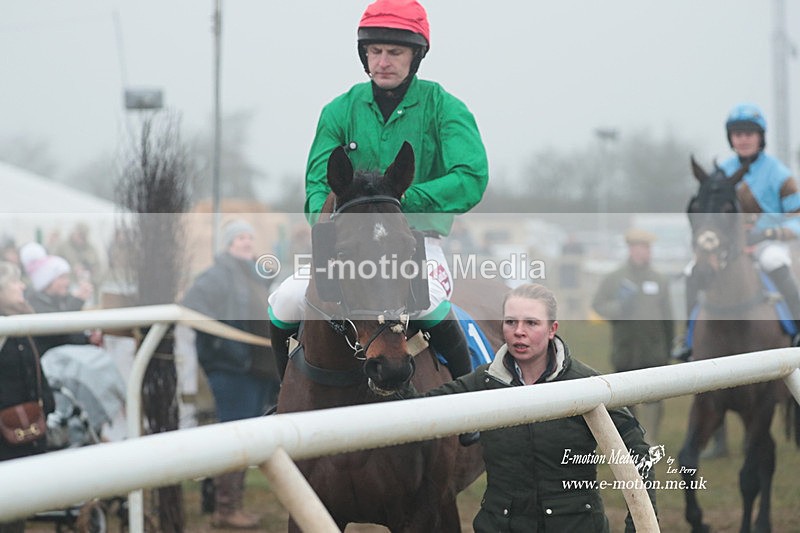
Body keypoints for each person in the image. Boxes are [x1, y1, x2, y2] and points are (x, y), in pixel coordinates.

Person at [268, 0, 489, 387]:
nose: (383, 60)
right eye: (375, 51)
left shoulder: (445, 108)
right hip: (345, 244)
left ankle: (467, 402)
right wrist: (337, 224)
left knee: (432, 304)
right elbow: (317, 185)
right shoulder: (339, 110)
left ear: (415, 56)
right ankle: (281, 392)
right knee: (283, 301)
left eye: (395, 52)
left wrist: (398, 205)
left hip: (416, 242)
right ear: (364, 54)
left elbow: (471, 176)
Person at [399, 283, 656, 532]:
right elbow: (419, 408)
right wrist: (396, 368)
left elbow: (638, 451)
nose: (518, 331)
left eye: (531, 323)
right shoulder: (483, 381)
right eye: (511, 322)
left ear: (552, 329)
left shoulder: (586, 385)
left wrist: (640, 526)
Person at [673, 102, 800, 361]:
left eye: (749, 133)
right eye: (737, 134)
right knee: (691, 271)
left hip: (767, 242)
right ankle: (687, 339)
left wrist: (768, 235)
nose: (743, 139)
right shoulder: (723, 173)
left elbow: (797, 219)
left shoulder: (780, 175)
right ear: (731, 138)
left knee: (775, 261)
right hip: (729, 246)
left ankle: (797, 331)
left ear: (760, 137)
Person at [182, 219, 279, 530]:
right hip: (232, 369)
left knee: (246, 437)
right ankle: (225, 509)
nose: (246, 242)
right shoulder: (217, 274)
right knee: (235, 437)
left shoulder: (252, 273)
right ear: (228, 244)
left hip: (255, 368)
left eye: (249, 237)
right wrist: (225, 347)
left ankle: (232, 504)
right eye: (239, 238)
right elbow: (193, 308)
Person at [591, 228, 673, 442]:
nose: (643, 252)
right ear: (630, 249)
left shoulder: (659, 279)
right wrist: (618, 307)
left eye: (646, 248)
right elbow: (598, 305)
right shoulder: (614, 278)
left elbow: (668, 318)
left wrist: (669, 349)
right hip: (626, 349)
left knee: (654, 398)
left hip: (653, 350)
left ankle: (651, 440)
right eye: (639, 248)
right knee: (626, 399)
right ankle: (632, 439)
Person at [0, 261, 56, 533]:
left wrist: (47, 399)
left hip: (25, 430)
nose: (23, 286)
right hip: (3, 439)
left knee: (16, 511)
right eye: (15, 282)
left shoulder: (23, 321)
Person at [23, 252, 98, 355]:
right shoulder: (35, 305)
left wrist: (88, 338)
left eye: (67, 277)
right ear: (47, 281)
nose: (67, 282)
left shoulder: (61, 299)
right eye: (62, 278)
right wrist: (77, 301)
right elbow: (58, 332)